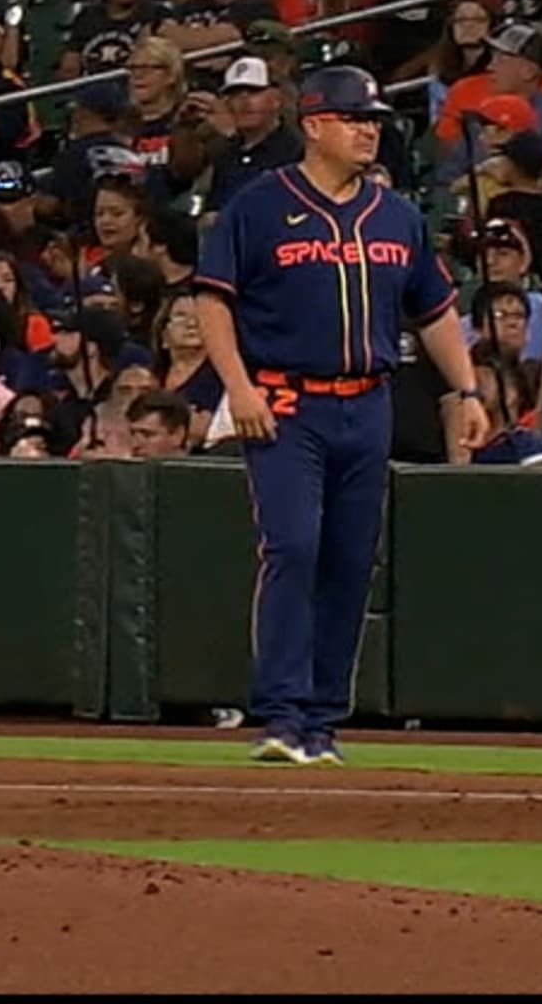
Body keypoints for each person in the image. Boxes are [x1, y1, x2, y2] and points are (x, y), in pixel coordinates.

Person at [193, 65, 482, 767]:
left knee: (351, 562)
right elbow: (212, 299)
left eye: (374, 119)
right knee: (293, 546)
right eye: (355, 119)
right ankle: (283, 714)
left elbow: (435, 308)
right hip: (288, 401)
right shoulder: (260, 205)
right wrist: (240, 387)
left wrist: (468, 390)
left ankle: (322, 723)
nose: (368, 130)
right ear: (316, 125)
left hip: (369, 401)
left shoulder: (396, 215)